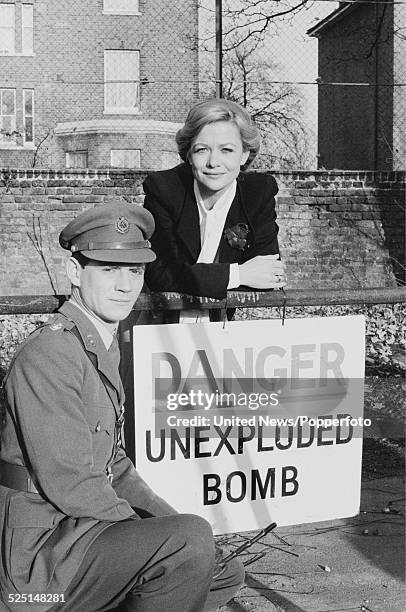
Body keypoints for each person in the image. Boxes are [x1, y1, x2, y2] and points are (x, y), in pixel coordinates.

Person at [0, 201, 244, 612]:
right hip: (41, 561)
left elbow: (115, 467)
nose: (125, 285)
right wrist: (163, 537)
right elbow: (71, 482)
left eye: (134, 271)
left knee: (221, 567)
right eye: (108, 270)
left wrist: (166, 520)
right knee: (186, 547)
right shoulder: (53, 352)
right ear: (74, 273)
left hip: (79, 532)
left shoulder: (98, 344)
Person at [143, 98, 286, 320]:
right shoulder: (165, 189)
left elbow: (269, 275)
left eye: (227, 150)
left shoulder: (258, 193)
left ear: (244, 154)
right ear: (189, 154)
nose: (213, 162)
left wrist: (194, 276)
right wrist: (239, 273)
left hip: (221, 327)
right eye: (202, 150)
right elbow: (159, 274)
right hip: (159, 325)